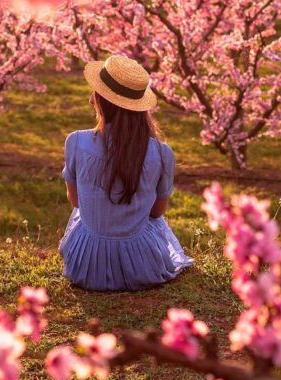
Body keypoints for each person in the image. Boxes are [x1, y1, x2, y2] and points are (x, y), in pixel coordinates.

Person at [59, 54, 194, 291]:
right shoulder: (162, 154)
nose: (91, 100)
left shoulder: (76, 142)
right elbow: (156, 212)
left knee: (84, 216)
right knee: (155, 223)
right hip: (143, 266)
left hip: (86, 266)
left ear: (101, 101)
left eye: (95, 94)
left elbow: (76, 201)